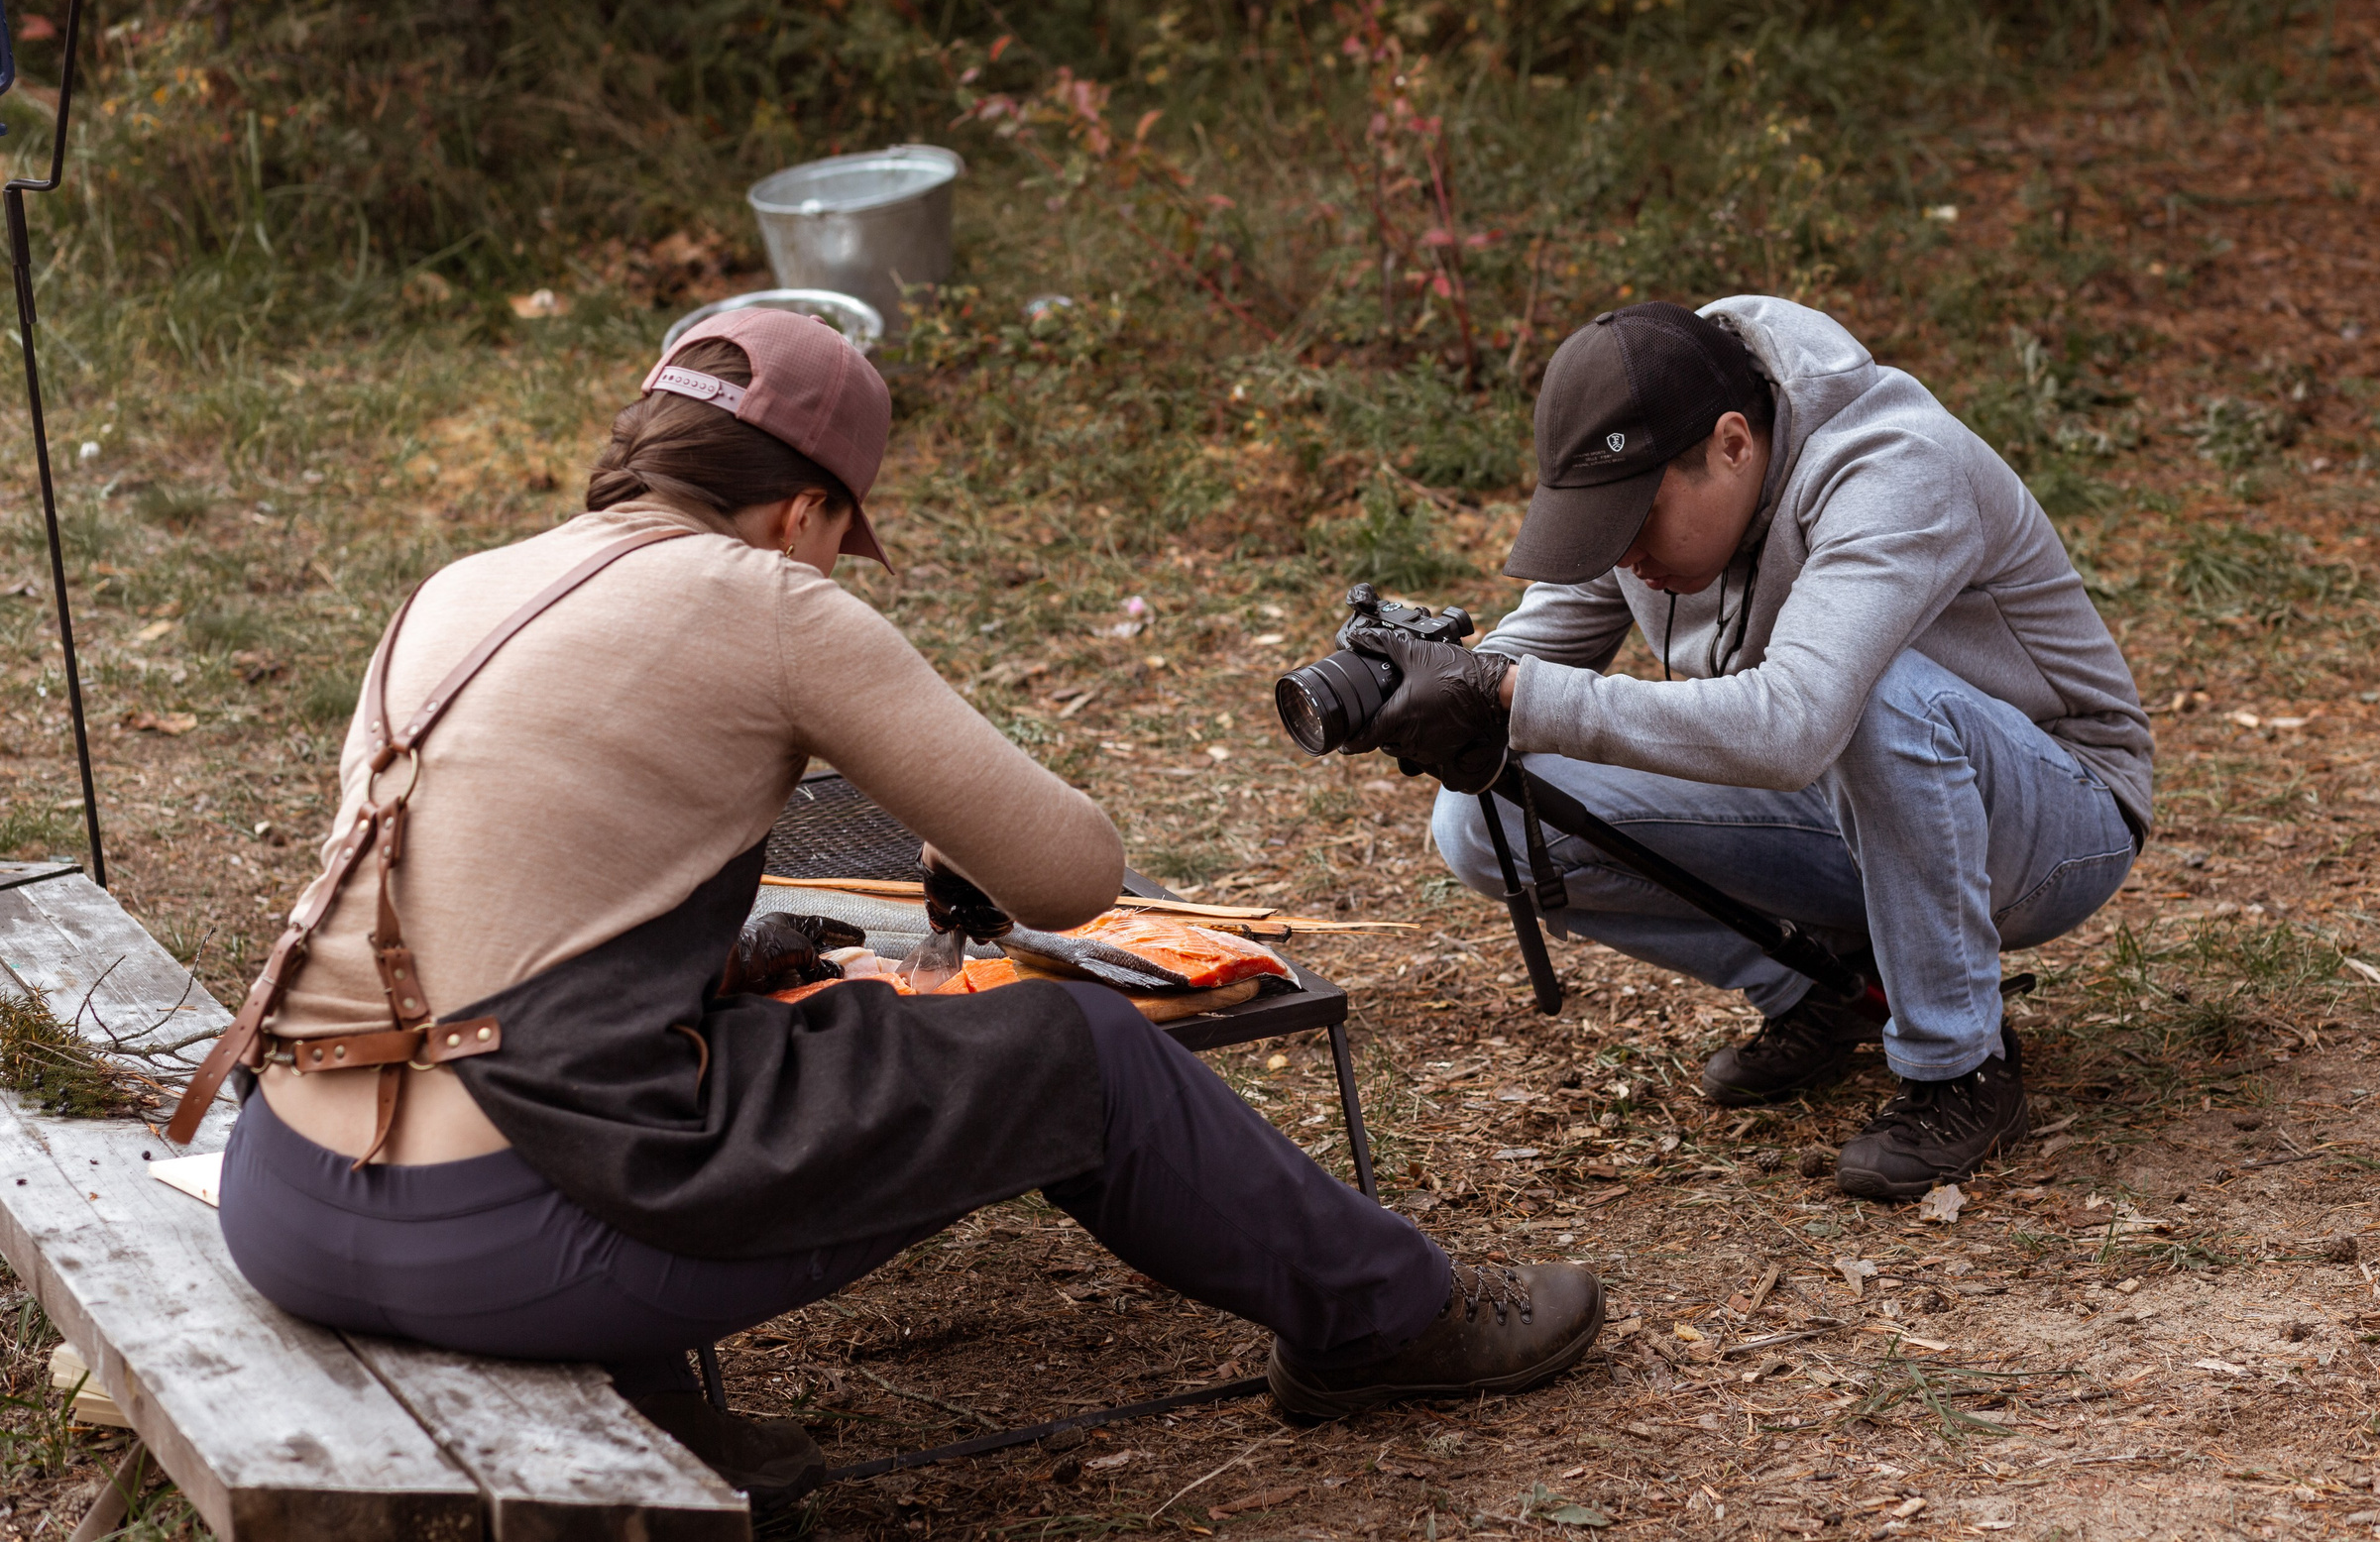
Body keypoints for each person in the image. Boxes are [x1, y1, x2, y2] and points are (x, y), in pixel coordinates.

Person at [206, 309, 1602, 1510]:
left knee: (724, 1028)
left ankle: (664, 1428)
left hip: (282, 1197)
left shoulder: (461, 586)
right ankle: (1386, 1318)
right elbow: (1070, 875)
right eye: (832, 538)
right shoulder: (760, 595)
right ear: (805, 508)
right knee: (1088, 1054)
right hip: (504, 1237)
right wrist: (939, 808)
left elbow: (498, 926)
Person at [1333, 297, 2151, 1200]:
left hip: (2055, 814)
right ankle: (1825, 990)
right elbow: (1525, 664)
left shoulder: (1895, 465)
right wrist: (1434, 690)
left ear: (1732, 444)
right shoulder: (1658, 489)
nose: (1625, 554)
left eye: (1635, 520)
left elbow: (1797, 720)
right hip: (1852, 802)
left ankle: (1961, 1063)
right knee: (1484, 814)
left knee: (1871, 694)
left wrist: (1512, 695)